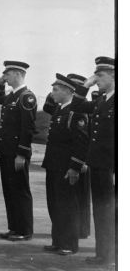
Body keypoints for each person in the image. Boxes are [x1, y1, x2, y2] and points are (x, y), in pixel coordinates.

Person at [71, 56, 116, 266]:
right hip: (98, 164)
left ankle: (112, 257)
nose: (95, 79)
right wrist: (85, 86)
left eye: (100, 75)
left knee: (111, 211)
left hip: (111, 166)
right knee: (100, 210)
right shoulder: (102, 100)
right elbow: (77, 105)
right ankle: (102, 254)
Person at [42, 74, 89, 256]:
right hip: (54, 164)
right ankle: (58, 241)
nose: (52, 93)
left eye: (56, 90)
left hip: (66, 167)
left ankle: (69, 244)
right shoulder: (59, 110)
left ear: (69, 91)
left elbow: (81, 142)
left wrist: (74, 167)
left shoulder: (76, 112)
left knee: (68, 205)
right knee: (54, 204)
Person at [0, 61, 37, 241]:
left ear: (18, 74)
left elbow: (27, 129)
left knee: (20, 190)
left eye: (8, 74)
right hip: (7, 150)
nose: (6, 77)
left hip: (17, 152)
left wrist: (22, 154)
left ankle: (24, 230)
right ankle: (14, 227)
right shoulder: (13, 96)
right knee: (9, 190)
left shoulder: (26, 97)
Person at [67, 73, 93, 239]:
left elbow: (83, 138)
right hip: (76, 157)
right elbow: (49, 106)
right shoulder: (74, 108)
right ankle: (80, 229)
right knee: (76, 195)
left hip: (82, 159)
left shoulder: (82, 111)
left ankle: (82, 230)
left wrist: (80, 161)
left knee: (81, 197)